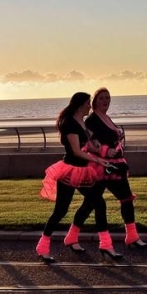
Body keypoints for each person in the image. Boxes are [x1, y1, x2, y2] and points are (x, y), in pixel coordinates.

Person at [35, 92, 117, 264]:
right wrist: (98, 160)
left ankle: (104, 245)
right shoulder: (69, 123)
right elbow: (76, 151)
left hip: (82, 170)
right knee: (61, 211)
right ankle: (43, 247)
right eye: (88, 103)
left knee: (98, 203)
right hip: (69, 171)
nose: (90, 106)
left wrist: (96, 147)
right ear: (80, 105)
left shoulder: (81, 121)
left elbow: (87, 144)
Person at [66, 87, 147, 250]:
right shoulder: (91, 120)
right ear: (95, 102)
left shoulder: (106, 117)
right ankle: (72, 237)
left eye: (108, 98)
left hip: (115, 166)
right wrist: (105, 150)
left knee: (126, 199)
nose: (106, 101)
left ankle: (132, 236)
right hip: (100, 168)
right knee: (92, 203)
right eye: (102, 98)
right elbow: (87, 143)